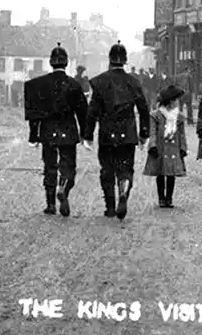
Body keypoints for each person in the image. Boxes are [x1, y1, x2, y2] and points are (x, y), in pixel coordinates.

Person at [83, 42, 150, 221]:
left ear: (110, 60)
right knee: (125, 168)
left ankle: (110, 207)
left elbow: (92, 111)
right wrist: (144, 134)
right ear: (125, 61)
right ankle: (124, 190)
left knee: (107, 169)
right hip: (128, 133)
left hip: (107, 132)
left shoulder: (100, 82)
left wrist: (87, 135)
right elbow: (144, 109)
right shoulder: (133, 82)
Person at [24, 43, 89, 216]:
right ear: (66, 63)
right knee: (68, 166)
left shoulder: (40, 85)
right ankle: (64, 188)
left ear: (51, 63)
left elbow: (35, 114)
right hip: (68, 130)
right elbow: (83, 112)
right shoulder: (74, 84)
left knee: (50, 166)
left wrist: (33, 135)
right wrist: (85, 134)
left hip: (47, 130)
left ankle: (51, 204)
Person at [144, 85, 189, 209]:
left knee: (171, 173)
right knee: (160, 172)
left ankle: (169, 198)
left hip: (174, 147)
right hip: (160, 146)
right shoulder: (156, 115)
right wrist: (152, 145)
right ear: (170, 101)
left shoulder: (179, 117)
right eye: (176, 100)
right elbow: (152, 131)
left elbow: (182, 134)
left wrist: (183, 148)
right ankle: (161, 198)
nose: (177, 103)